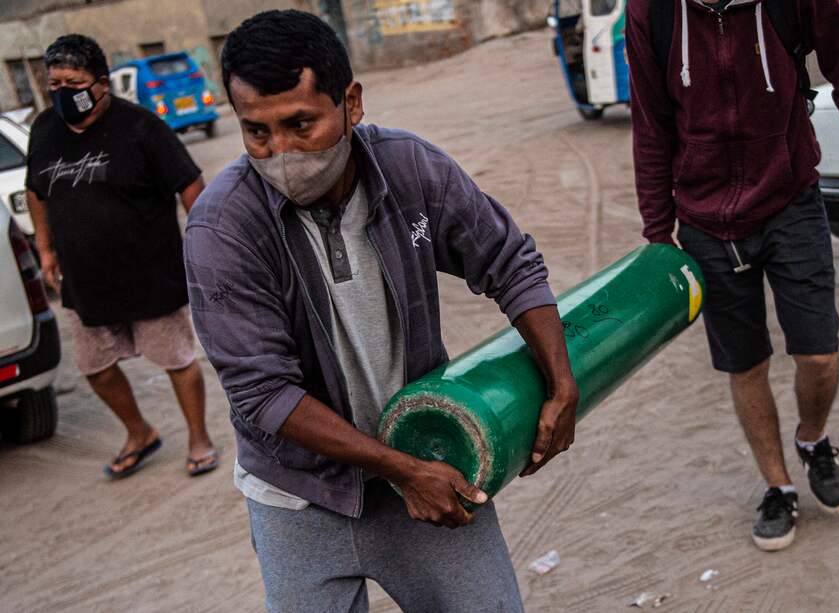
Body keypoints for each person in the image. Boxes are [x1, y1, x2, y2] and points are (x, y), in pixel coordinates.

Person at [184, 10, 579, 612]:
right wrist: (401, 469)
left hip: (428, 465)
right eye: (257, 133)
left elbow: (510, 261)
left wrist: (562, 381)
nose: (282, 153)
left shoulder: (410, 168)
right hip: (298, 498)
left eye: (301, 124)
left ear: (351, 102)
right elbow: (263, 393)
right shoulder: (223, 227)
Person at [627, 0, 839, 551]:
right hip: (705, 219)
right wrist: (659, 235)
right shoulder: (651, 12)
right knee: (745, 362)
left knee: (819, 355)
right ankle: (778, 486)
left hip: (790, 199)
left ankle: (813, 439)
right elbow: (651, 122)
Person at [25, 35, 219, 479]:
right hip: (84, 278)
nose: (63, 92)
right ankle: (139, 432)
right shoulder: (44, 129)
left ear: (101, 83)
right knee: (95, 367)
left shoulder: (142, 127)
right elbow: (36, 191)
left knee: (175, 359)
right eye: (54, 83)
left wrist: (210, 248)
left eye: (73, 82)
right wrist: (45, 247)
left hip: (150, 274)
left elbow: (191, 187)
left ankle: (198, 438)